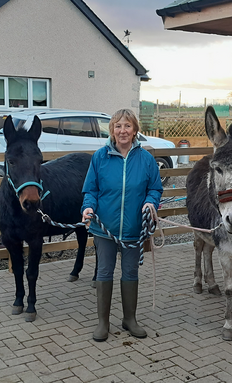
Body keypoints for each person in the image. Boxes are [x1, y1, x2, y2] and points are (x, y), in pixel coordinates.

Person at [82, 109, 163, 342]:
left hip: (133, 230)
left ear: (135, 130)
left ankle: (130, 319)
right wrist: (88, 207)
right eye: (118, 126)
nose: (123, 131)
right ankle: (103, 323)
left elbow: (155, 188)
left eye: (127, 126)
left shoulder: (146, 159)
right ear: (112, 131)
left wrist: (150, 203)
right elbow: (91, 190)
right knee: (104, 272)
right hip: (104, 228)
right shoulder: (100, 157)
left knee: (130, 272)